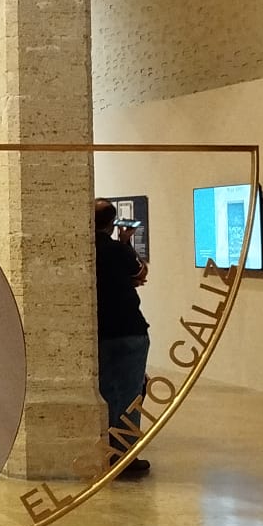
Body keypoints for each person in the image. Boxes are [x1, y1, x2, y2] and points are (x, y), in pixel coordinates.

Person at [94, 198, 149, 479]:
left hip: (100, 331)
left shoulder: (83, 249)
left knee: (104, 390)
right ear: (111, 224)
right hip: (129, 329)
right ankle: (124, 456)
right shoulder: (117, 250)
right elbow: (140, 273)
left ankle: (103, 451)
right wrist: (126, 242)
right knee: (129, 394)